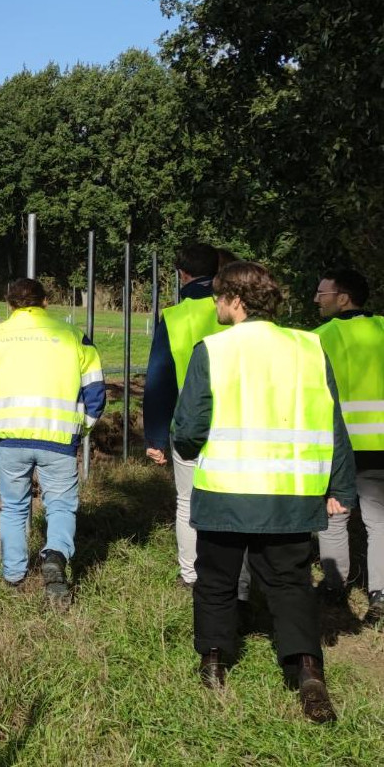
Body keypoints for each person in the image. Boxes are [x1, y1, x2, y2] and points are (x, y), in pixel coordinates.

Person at [172, 261, 356, 722]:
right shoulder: (309, 347)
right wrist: (341, 485)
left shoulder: (213, 349)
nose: (215, 304)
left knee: (215, 579)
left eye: (218, 296)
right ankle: (307, 671)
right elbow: (334, 424)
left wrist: (187, 443)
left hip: (227, 491)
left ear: (235, 300)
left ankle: (214, 663)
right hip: (291, 495)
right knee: (291, 584)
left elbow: (189, 428)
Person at [0, 278, 105, 607]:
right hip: (59, 441)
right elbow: (96, 392)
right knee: (60, 506)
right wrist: (80, 429)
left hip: (10, 441)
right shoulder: (74, 338)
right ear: (46, 302)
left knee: (14, 507)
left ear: (9, 304)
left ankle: (14, 575)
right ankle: (56, 558)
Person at [145, 244, 233, 590]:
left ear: (181, 274)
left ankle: (192, 575)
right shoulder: (237, 308)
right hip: (239, 419)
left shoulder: (176, 316)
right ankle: (231, 575)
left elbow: (160, 379)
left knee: (187, 501)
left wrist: (154, 435)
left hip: (189, 423)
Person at [312, 269, 384, 621]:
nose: (316, 299)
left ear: (343, 298)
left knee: (335, 515)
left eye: (323, 293)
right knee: (380, 521)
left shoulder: (320, 337)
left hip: (337, 443)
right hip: (382, 444)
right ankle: (380, 595)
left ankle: (335, 588)